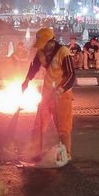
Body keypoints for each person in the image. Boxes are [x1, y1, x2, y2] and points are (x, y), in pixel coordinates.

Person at [22, 27, 76, 161]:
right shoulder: (41, 52)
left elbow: (71, 75)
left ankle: (66, 154)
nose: (42, 48)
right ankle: (35, 152)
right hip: (46, 95)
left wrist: (60, 90)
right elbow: (34, 67)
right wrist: (26, 81)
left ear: (51, 42)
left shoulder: (63, 52)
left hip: (62, 96)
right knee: (38, 125)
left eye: (43, 44)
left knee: (63, 128)